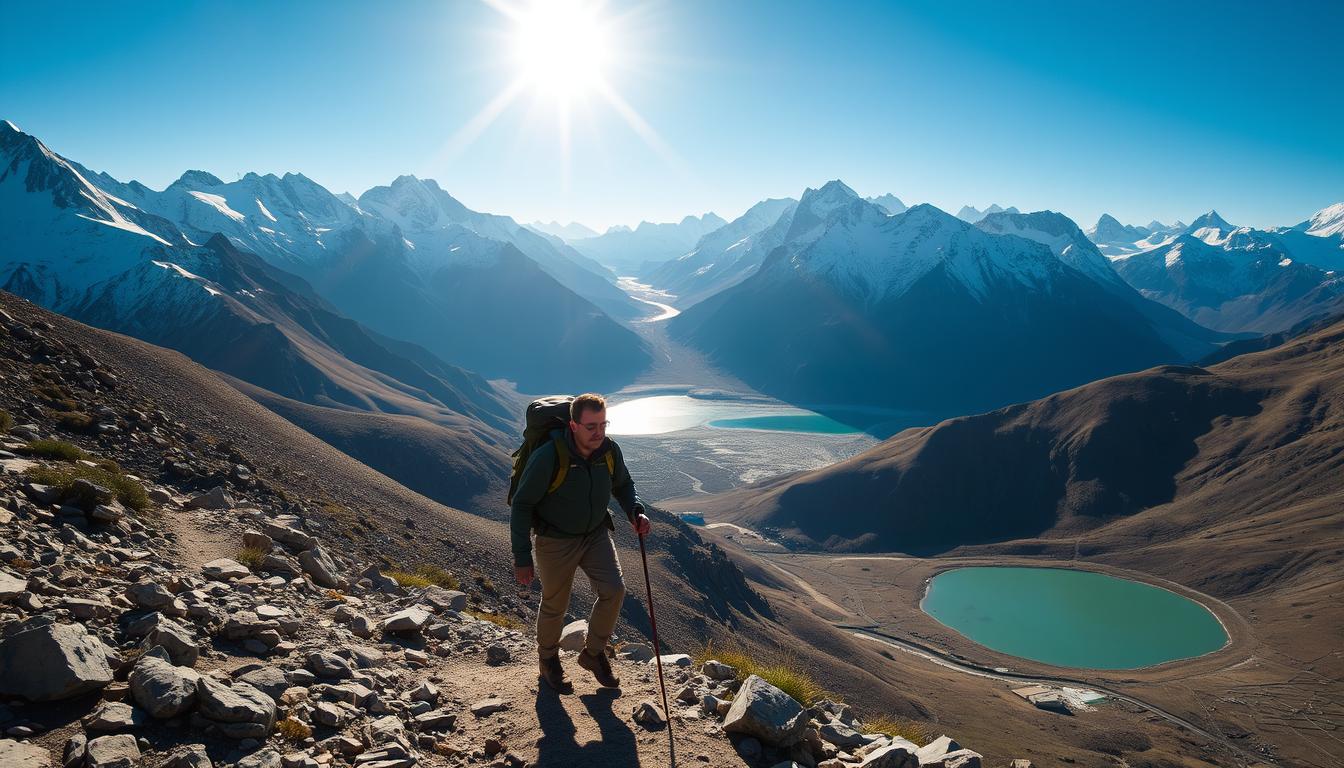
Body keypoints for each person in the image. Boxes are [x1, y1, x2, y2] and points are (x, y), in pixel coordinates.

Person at [511, 392, 651, 693]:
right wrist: (522, 557)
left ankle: (593, 653)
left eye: (603, 424)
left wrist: (635, 510)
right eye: (591, 426)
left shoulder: (609, 451)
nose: (599, 432)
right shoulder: (550, 456)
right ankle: (548, 659)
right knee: (555, 604)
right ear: (573, 426)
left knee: (614, 589)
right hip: (555, 539)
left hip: (595, 534)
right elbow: (522, 504)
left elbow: (624, 484)